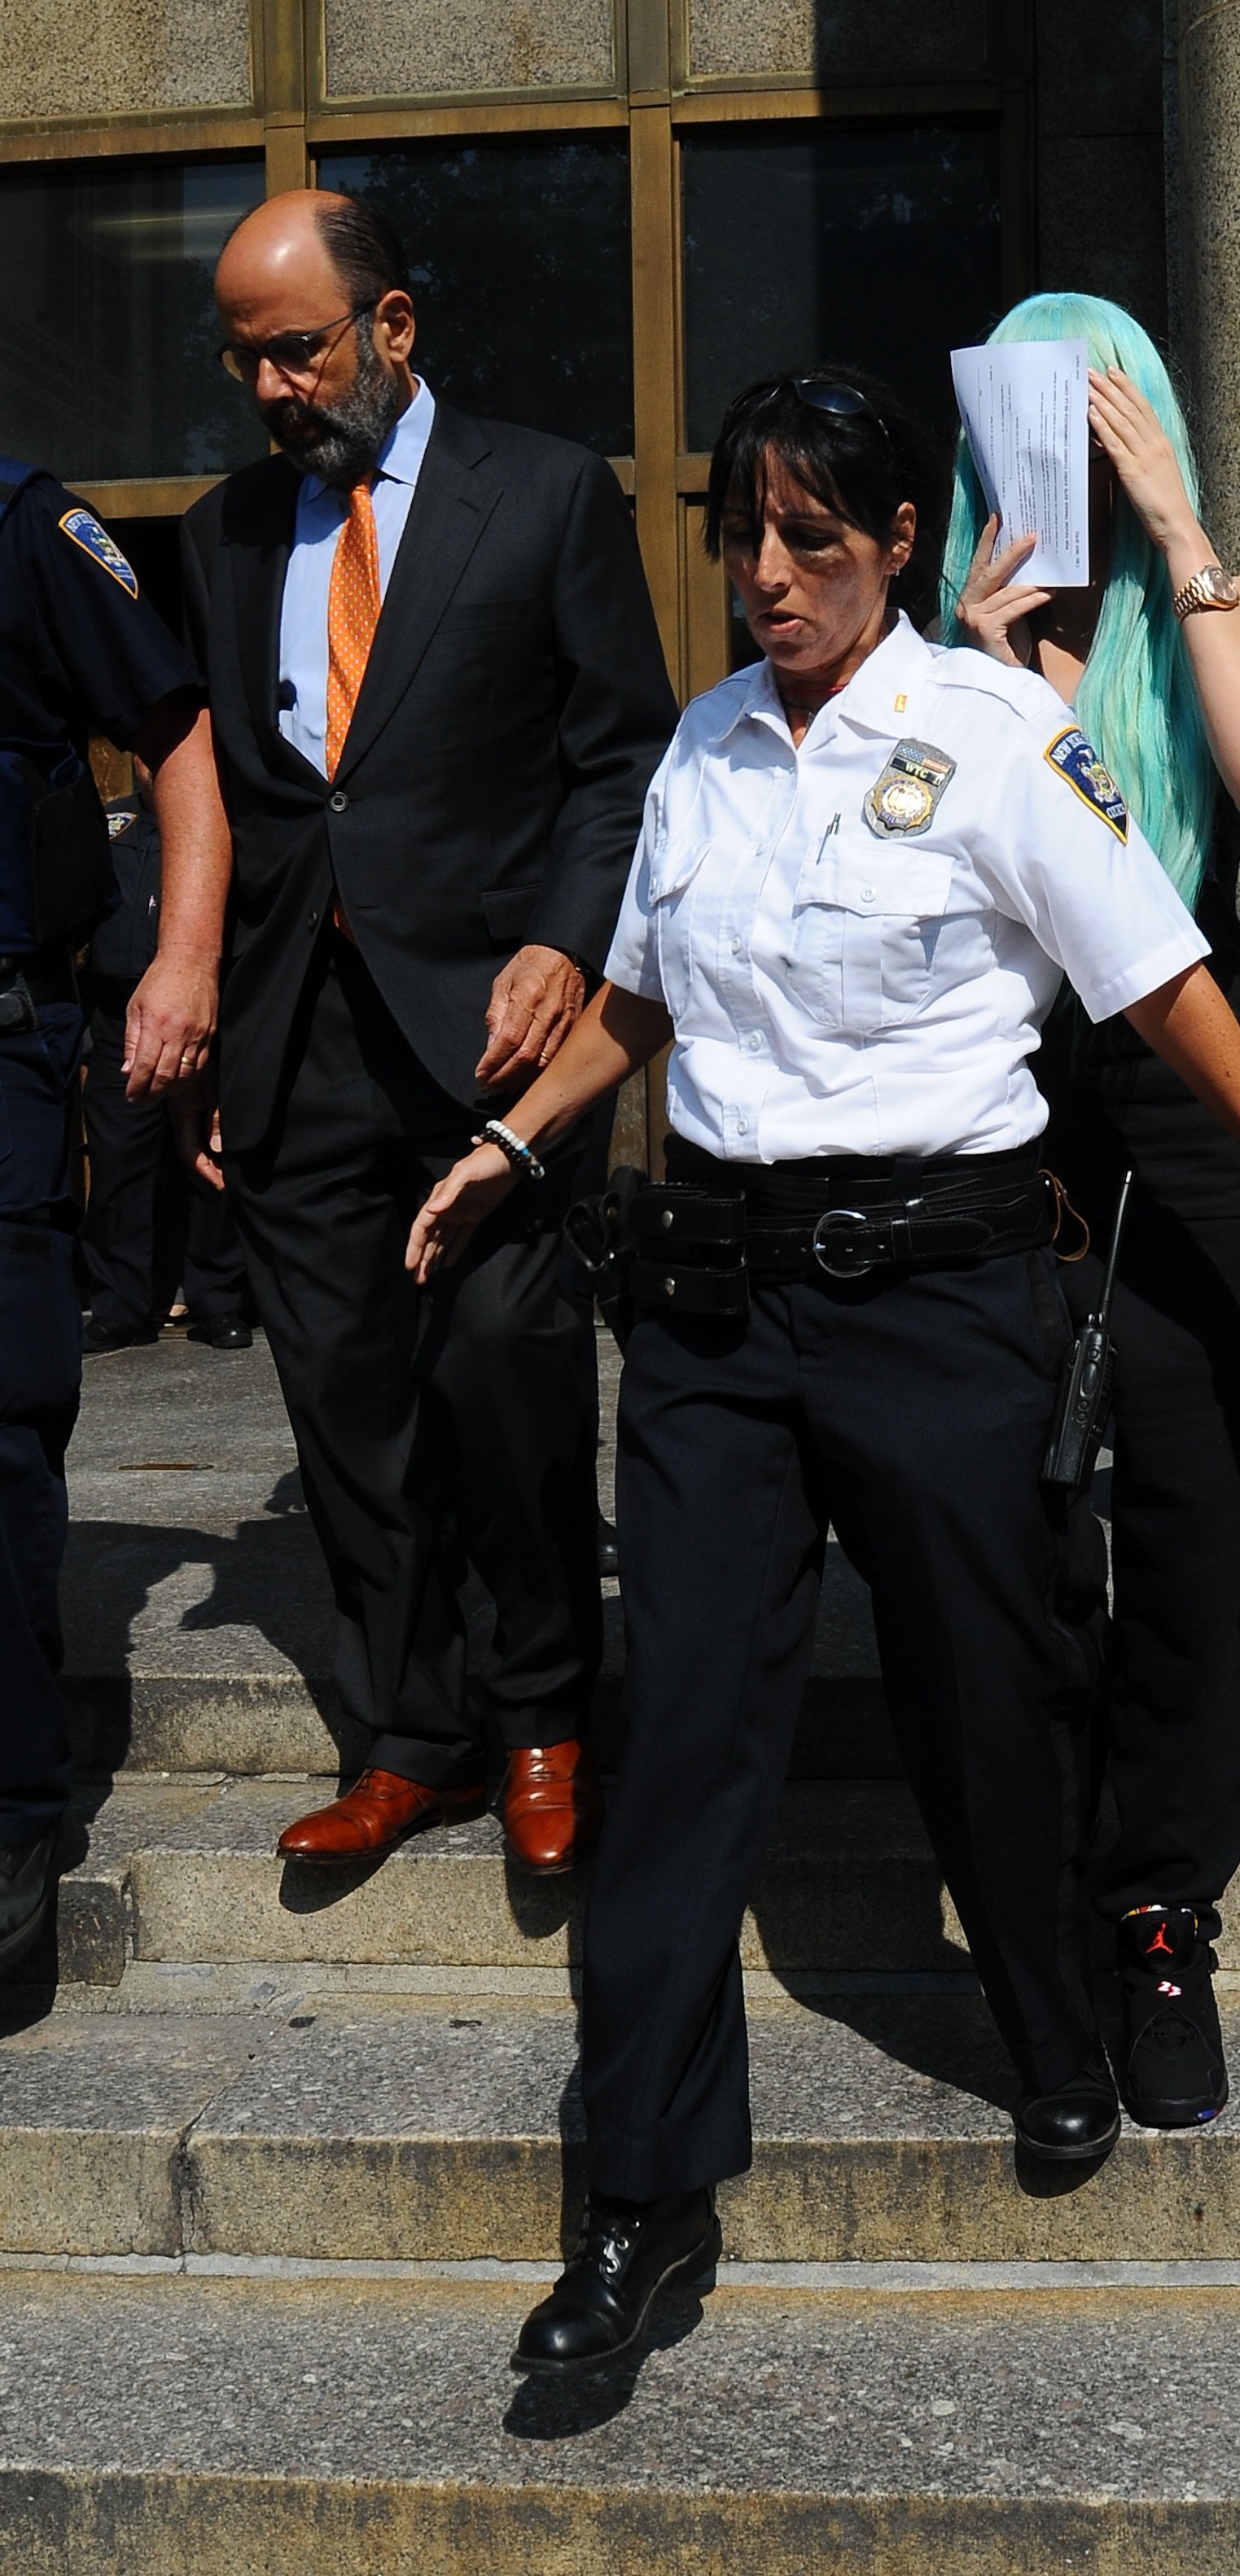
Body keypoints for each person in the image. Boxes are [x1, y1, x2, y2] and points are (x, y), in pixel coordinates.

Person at [405, 370, 1240, 2373]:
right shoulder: (703, 746)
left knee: (991, 1689)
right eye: (743, 534)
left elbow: (1151, 976)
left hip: (939, 1304)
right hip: (715, 1315)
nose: (769, 574)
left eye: (814, 538)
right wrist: (512, 1137)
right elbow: (635, 992)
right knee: (686, 1732)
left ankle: (1053, 2023)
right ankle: (634, 2201)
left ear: (899, 543)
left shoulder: (989, 736)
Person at [143, 189, 678, 1876]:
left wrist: (562, 940)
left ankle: (541, 1715)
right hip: (295, 1030)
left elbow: (623, 760)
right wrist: (204, 1009)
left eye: (295, 349)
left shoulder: (543, 494)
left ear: (391, 326)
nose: (273, 389)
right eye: (242, 362)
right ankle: (414, 1732)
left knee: (507, 1377)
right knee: (346, 1398)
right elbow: (233, 798)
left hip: (491, 1037)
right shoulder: (226, 532)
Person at [942, 289, 1240, 2130]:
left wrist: (1174, 530)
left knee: (1195, 1515)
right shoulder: (949, 658)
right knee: (1016, 1518)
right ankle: (1054, 1872)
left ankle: (1162, 1907)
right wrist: (993, 677)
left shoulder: (1228, 609)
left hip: (1194, 1097)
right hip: (1001, 1096)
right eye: (1038, 423)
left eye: (1103, 418)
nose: (1075, 457)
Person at [0, 453, 228, 1968]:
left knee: (0, 1422)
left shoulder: (20, 525)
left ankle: (11, 1817)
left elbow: (179, 740)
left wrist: (187, 958)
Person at [81, 761, 251, 1354]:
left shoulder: (222, 821)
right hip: (118, 1015)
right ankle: (120, 1305)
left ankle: (218, 1300)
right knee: (118, 1168)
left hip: (209, 1010)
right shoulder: (109, 824)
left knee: (211, 1159)